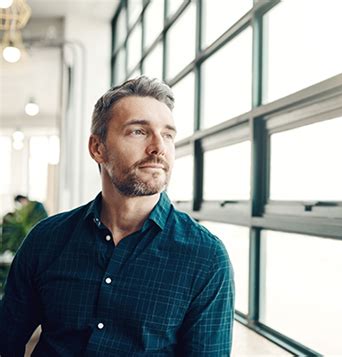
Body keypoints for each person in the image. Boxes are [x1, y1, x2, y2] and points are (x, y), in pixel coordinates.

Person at [0, 77, 235, 356]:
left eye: (168, 135)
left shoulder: (205, 257)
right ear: (98, 148)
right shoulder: (47, 238)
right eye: (138, 131)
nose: (158, 147)